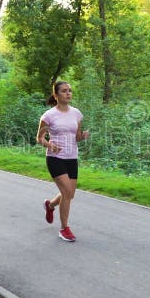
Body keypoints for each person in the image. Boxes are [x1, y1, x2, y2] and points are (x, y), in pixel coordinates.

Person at [36, 81, 90, 242]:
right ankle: (64, 229)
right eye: (64, 91)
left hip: (72, 157)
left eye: (70, 91)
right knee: (67, 192)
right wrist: (49, 144)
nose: (68, 94)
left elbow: (76, 136)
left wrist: (82, 136)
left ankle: (50, 205)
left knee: (70, 194)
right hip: (55, 158)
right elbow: (39, 138)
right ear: (56, 95)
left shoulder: (76, 114)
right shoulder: (48, 116)